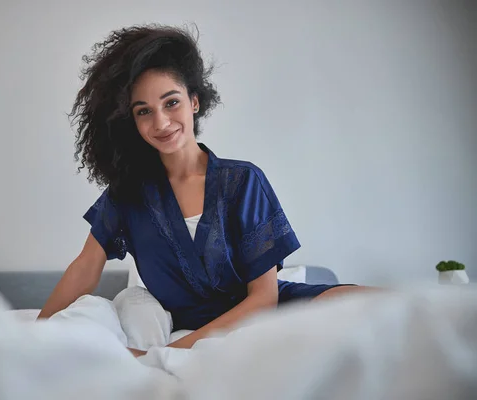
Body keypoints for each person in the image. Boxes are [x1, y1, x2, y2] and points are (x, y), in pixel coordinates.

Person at [38, 24, 367, 351]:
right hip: (215, 332)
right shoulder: (128, 195)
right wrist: (34, 336)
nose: (162, 123)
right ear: (132, 123)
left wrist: (167, 355)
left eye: (171, 103)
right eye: (144, 112)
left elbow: (265, 298)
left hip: (270, 316)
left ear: (194, 101)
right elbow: (84, 268)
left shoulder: (243, 182)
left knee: (386, 309)